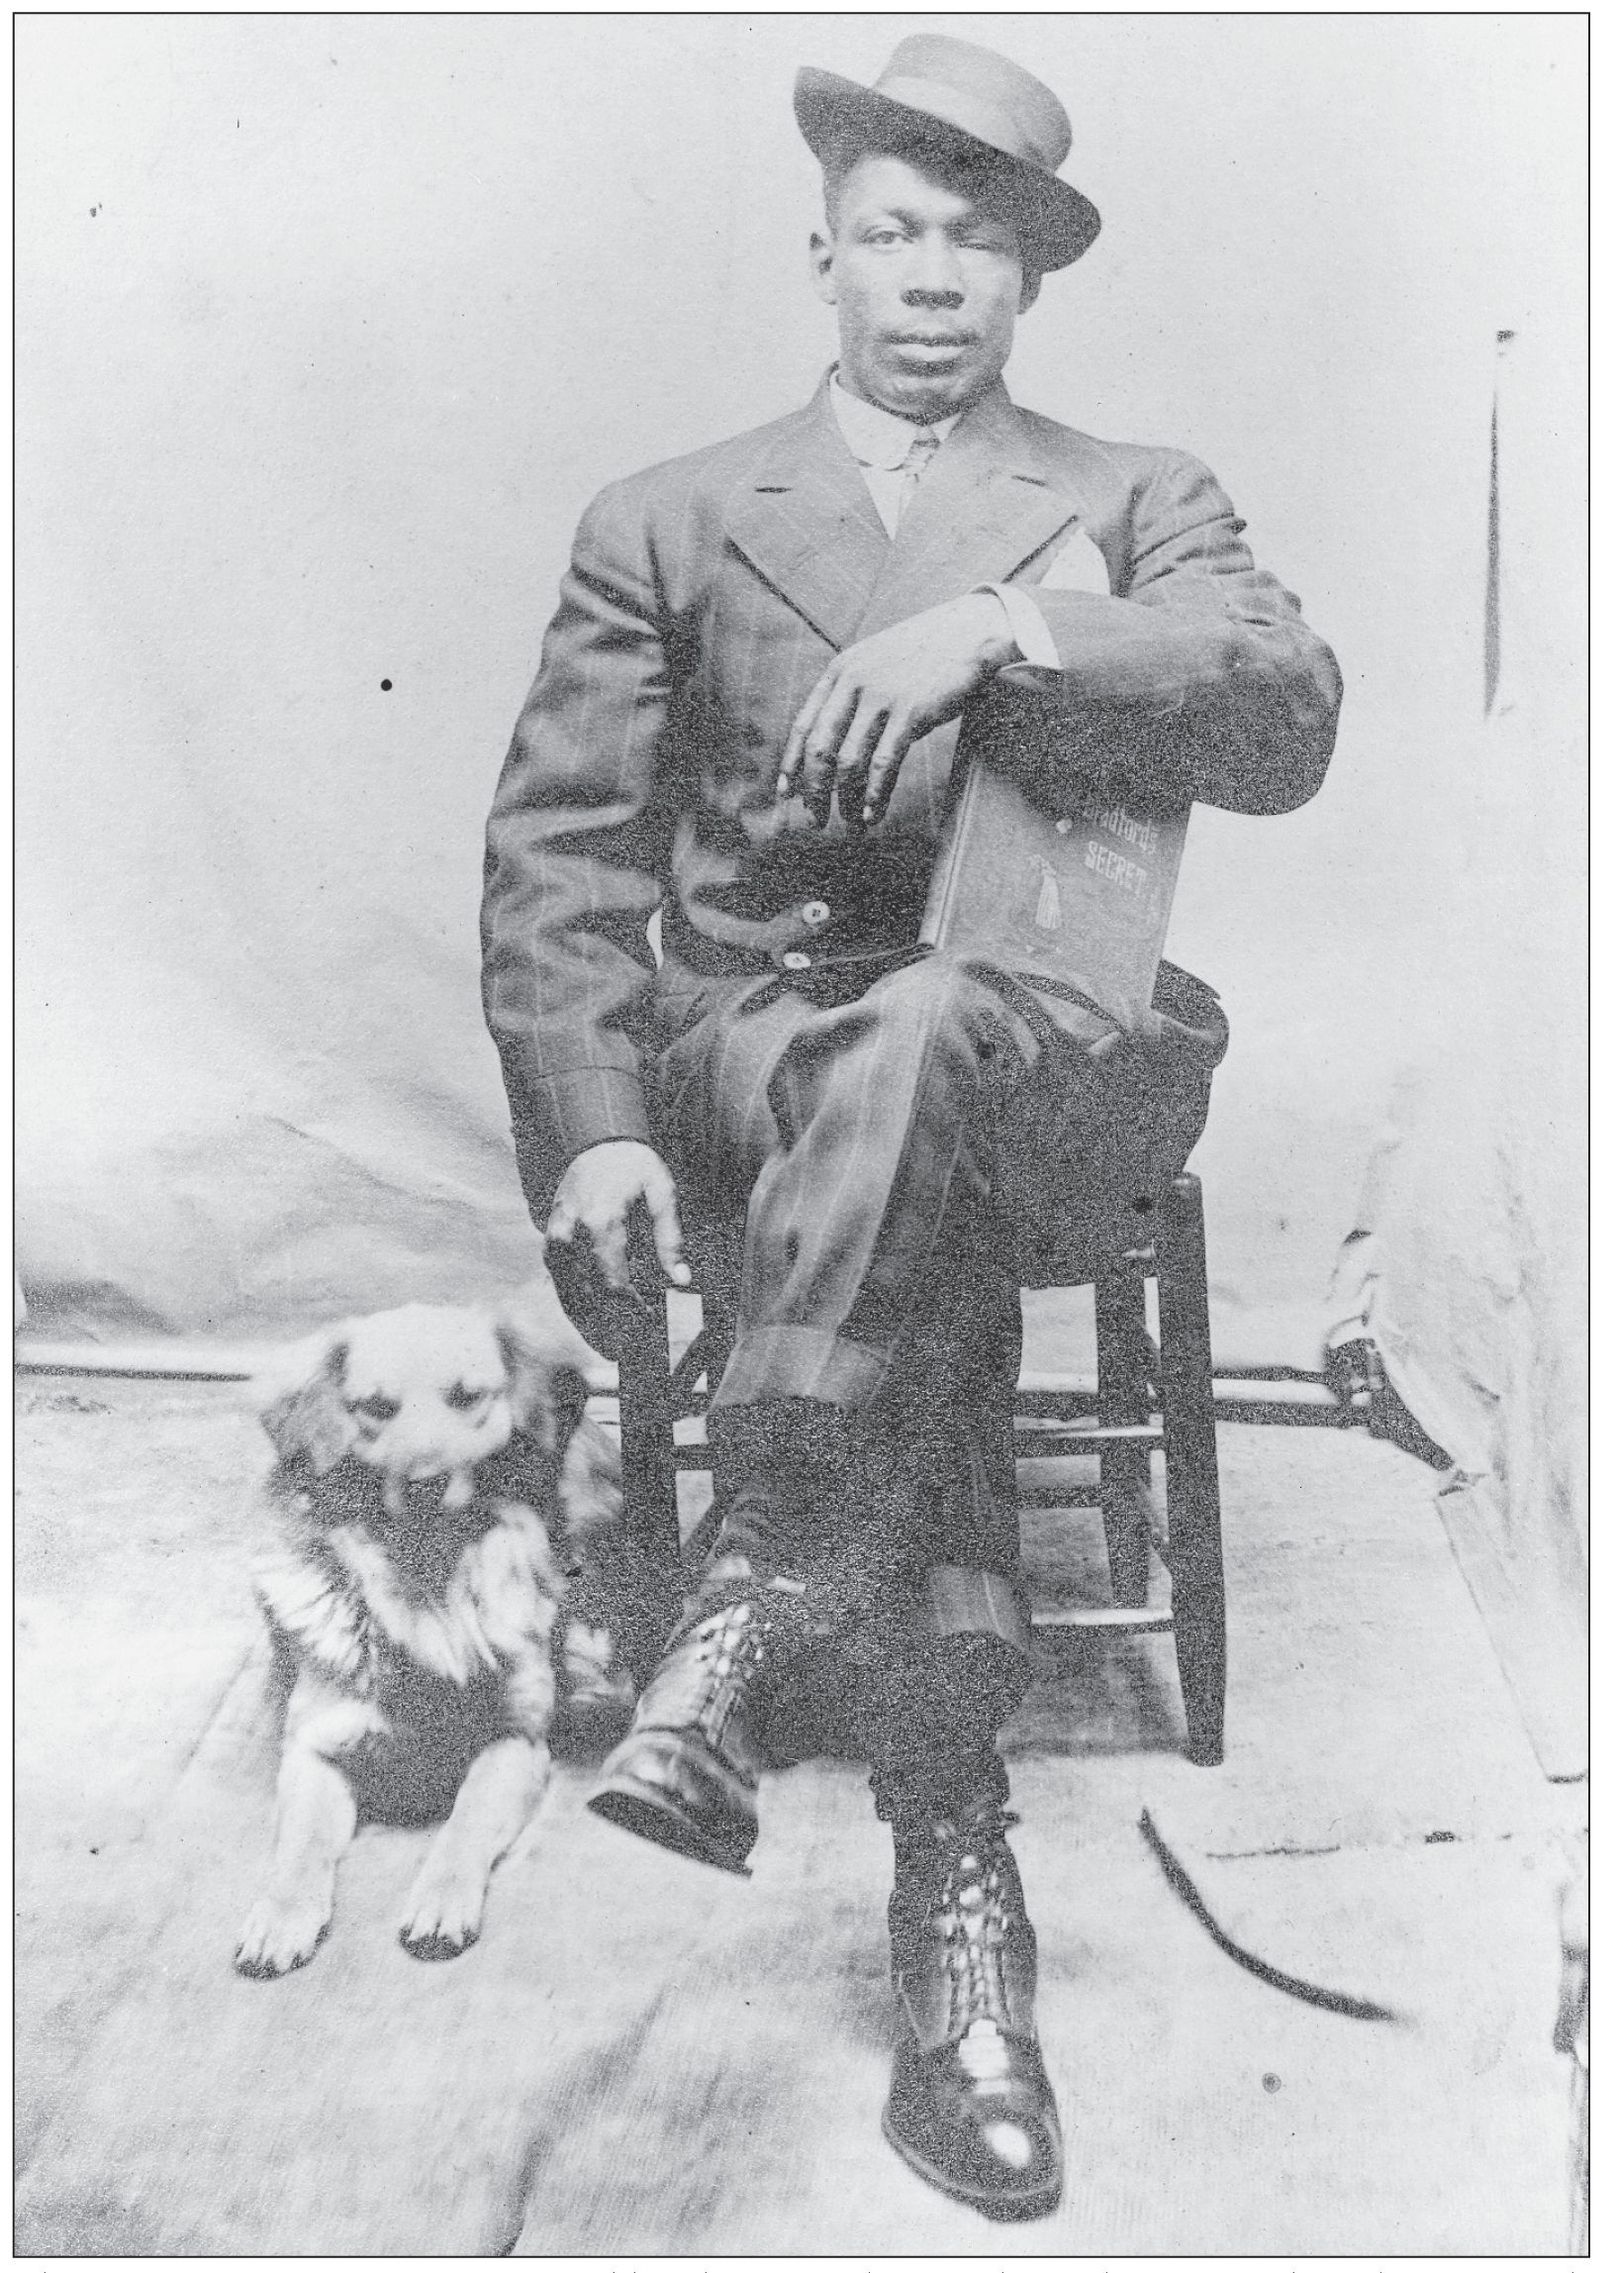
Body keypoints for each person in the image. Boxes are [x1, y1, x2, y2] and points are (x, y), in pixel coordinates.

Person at [482, 34, 1341, 2220]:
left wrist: (1005, 626)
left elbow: (1283, 711)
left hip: (1057, 1052)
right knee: (891, 1100)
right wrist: (592, 1128)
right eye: (896, 232)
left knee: (946, 1043)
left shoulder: (1139, 493)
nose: (934, 278)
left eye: (979, 238)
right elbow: (565, 859)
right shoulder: (666, 514)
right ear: (825, 259)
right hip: (764, 1051)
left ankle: (759, 1580)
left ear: (1030, 279)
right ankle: (959, 1891)